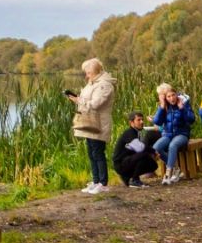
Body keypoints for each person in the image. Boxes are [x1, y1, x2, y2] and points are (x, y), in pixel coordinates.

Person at [67, 58, 116, 194]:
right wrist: (78, 99)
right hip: (89, 122)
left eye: (88, 72)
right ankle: (95, 181)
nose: (86, 75)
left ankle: (103, 183)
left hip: (99, 123)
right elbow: (87, 100)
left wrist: (79, 101)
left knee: (98, 152)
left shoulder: (104, 85)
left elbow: (95, 104)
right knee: (91, 152)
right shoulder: (92, 83)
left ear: (95, 72)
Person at [153, 83, 195, 184]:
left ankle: (168, 174)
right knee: (156, 148)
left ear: (176, 94)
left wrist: (182, 108)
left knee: (173, 145)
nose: (172, 98)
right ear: (165, 97)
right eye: (168, 96)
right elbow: (157, 122)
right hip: (167, 134)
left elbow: (191, 120)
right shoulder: (164, 106)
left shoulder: (183, 102)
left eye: (173, 95)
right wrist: (162, 107)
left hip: (182, 134)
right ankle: (176, 168)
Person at [112, 111, 159, 187]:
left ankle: (127, 177)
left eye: (142, 120)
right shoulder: (129, 133)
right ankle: (134, 180)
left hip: (127, 161)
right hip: (120, 164)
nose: (142, 122)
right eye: (138, 120)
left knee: (153, 165)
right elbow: (140, 148)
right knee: (144, 155)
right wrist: (154, 151)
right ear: (131, 122)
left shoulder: (136, 132)